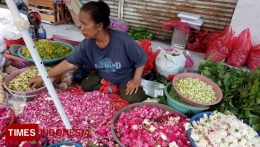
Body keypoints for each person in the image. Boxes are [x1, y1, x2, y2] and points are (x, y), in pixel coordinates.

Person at [28, 0, 148, 103]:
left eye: (85, 24)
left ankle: (118, 86)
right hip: (105, 75)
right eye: (81, 24)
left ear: (99, 26)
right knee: (86, 85)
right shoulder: (87, 44)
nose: (82, 28)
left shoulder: (122, 40)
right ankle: (109, 84)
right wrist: (43, 77)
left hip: (124, 78)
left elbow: (141, 59)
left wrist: (136, 80)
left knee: (132, 97)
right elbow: (69, 63)